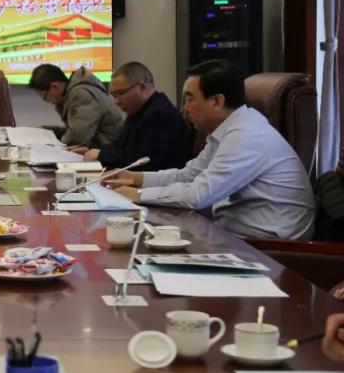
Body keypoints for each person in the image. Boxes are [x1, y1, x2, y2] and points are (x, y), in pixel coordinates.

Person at [108, 60, 315, 240]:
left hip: (268, 249)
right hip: (235, 237)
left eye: (190, 99)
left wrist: (138, 194)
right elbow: (189, 175)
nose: (184, 108)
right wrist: (137, 178)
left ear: (216, 101)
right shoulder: (228, 130)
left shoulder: (246, 136)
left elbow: (198, 195)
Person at [71, 62, 192, 171]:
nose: (116, 101)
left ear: (142, 87)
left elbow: (144, 162)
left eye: (120, 93)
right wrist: (91, 149)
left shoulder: (160, 115)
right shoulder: (139, 110)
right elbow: (120, 147)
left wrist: (101, 155)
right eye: (114, 95)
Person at [29, 64, 123, 147]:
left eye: (45, 97)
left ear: (55, 86)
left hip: (108, 149)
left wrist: (51, 146)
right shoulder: (71, 94)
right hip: (101, 146)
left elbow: (77, 138)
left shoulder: (81, 95)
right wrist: (47, 132)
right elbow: (76, 130)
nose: (46, 101)